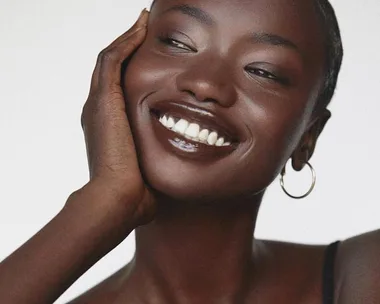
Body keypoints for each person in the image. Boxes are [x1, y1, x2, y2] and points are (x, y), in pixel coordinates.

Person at [1, 0, 378, 303]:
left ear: (307, 136)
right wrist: (102, 202)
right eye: (178, 42)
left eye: (262, 70)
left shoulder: (361, 275)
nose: (204, 84)